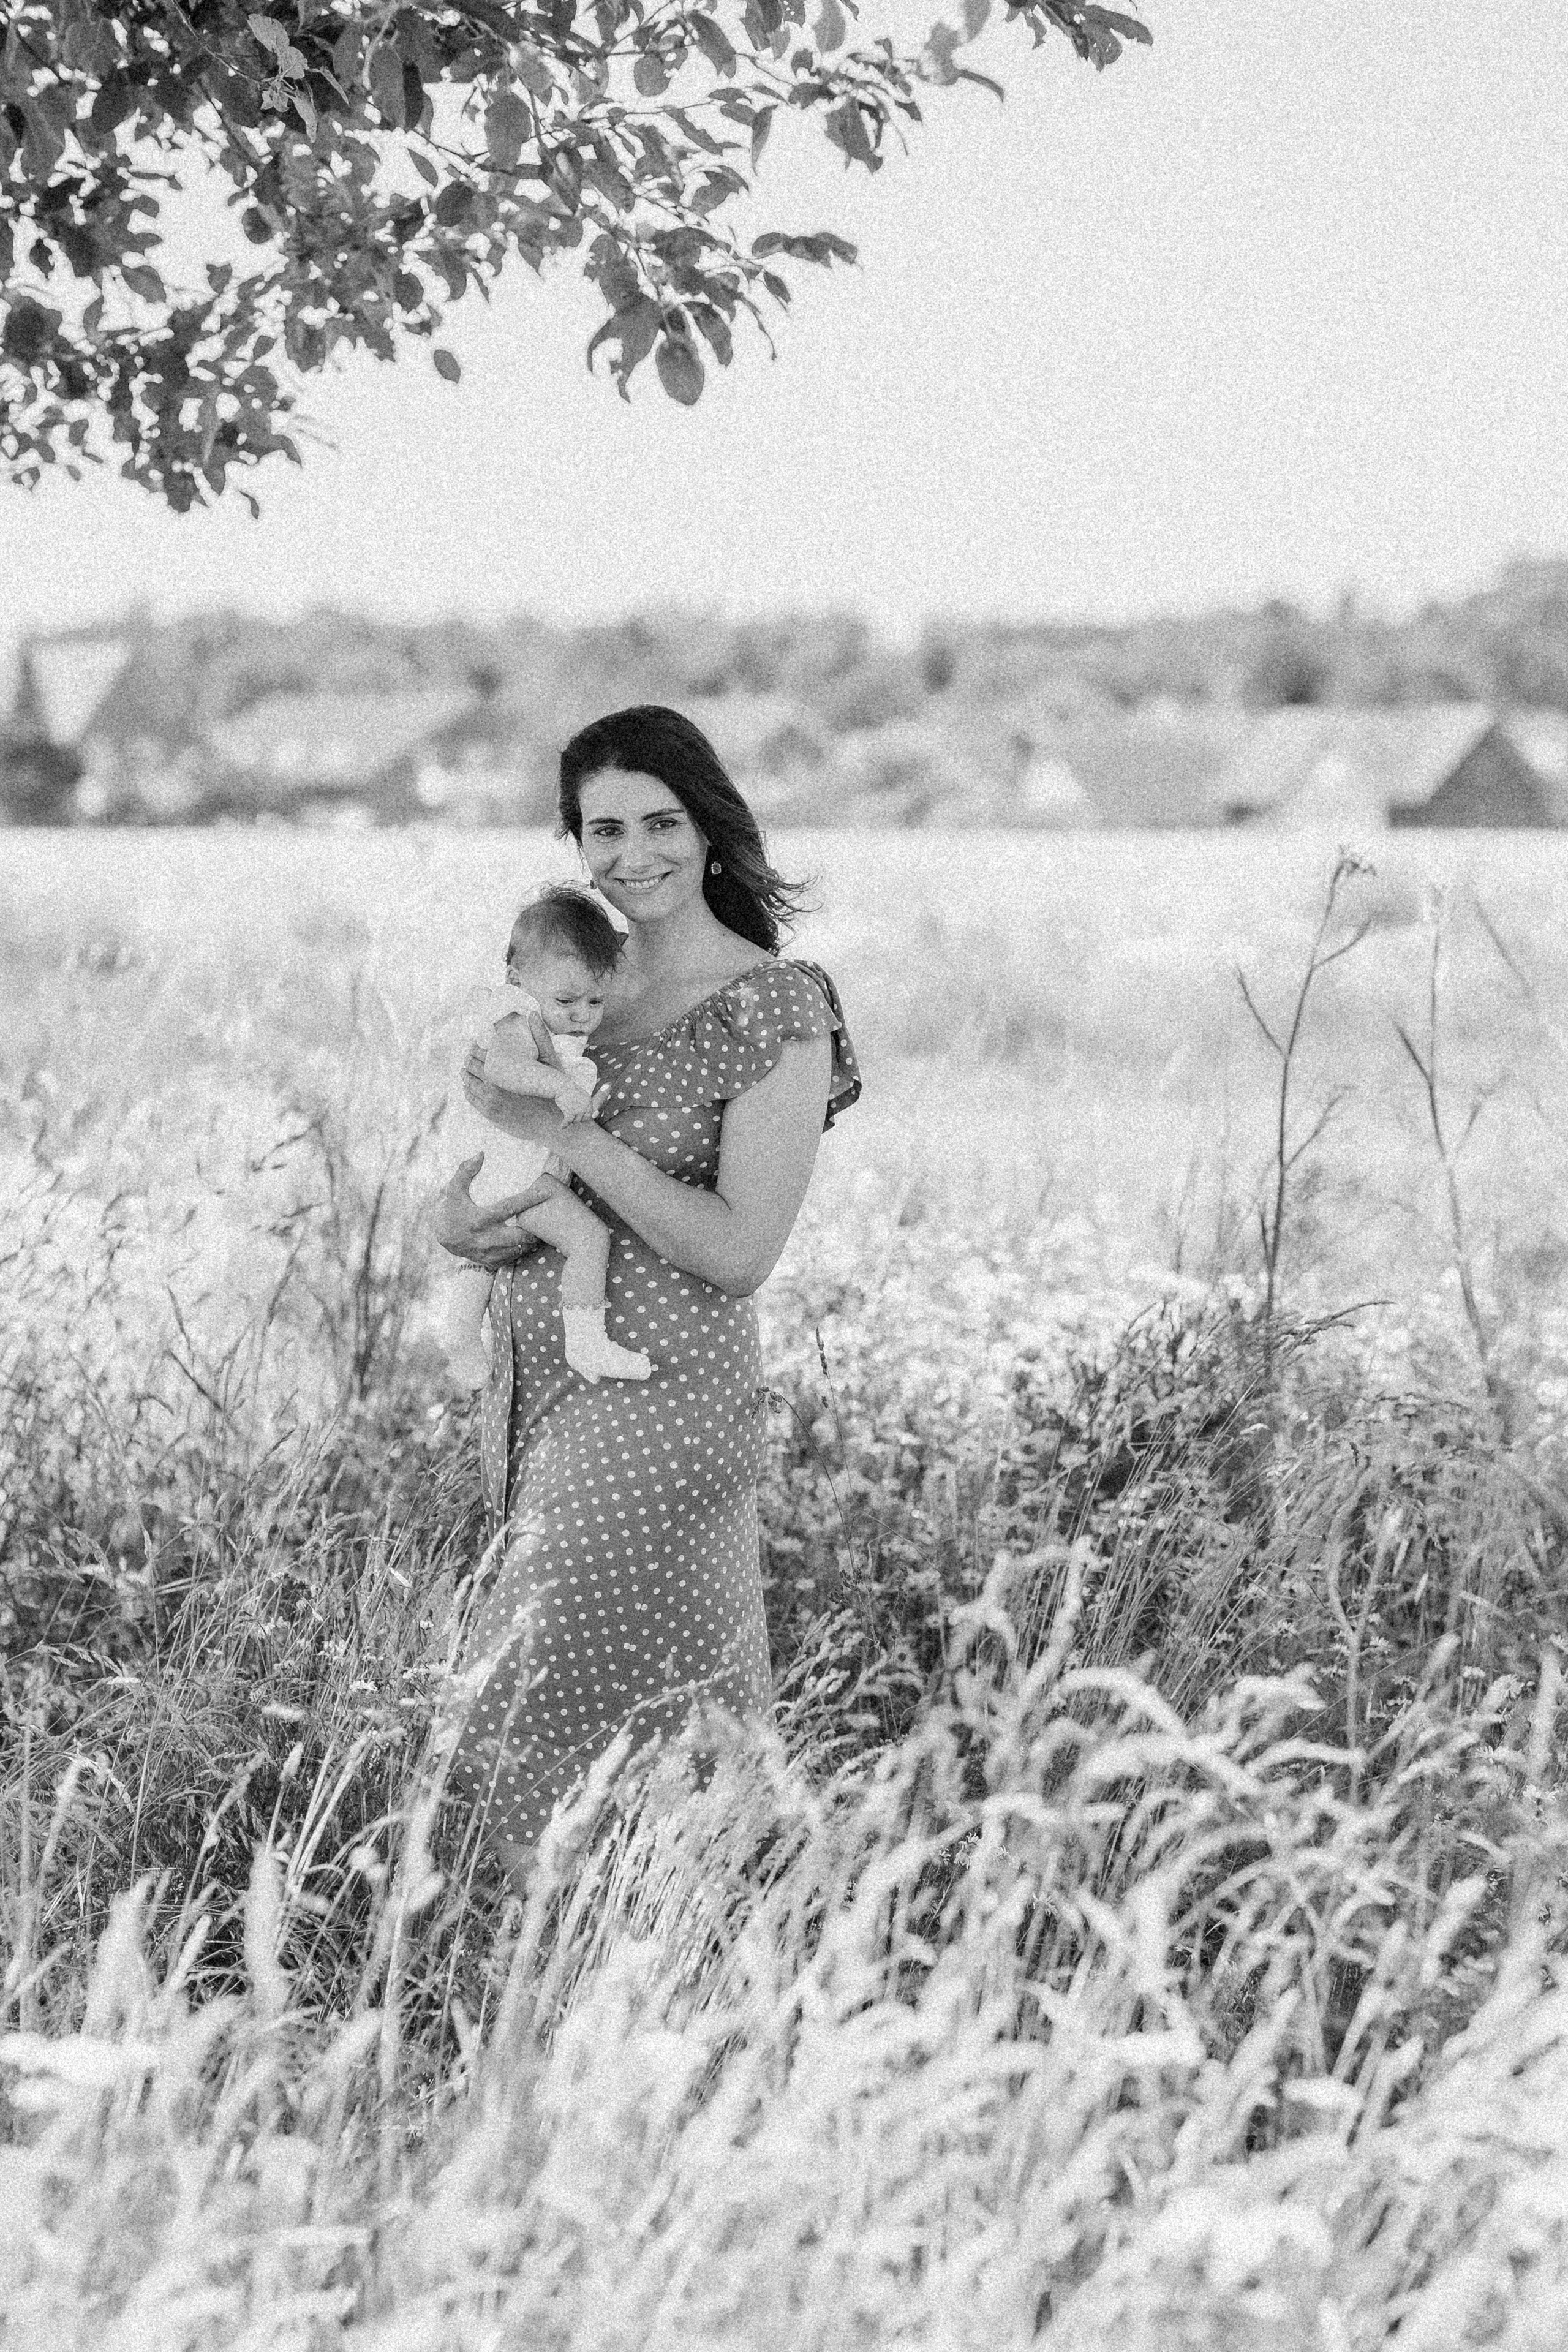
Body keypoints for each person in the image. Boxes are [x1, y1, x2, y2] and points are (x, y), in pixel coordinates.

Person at [434, 704, 861, 1882]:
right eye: (603, 829)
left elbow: (738, 1250)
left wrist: (573, 1145)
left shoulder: (773, 1005)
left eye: (662, 822)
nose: (634, 856)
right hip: (538, 1397)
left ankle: (528, 1932)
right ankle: (663, 1950)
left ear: (711, 828)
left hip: (662, 1401)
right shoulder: (576, 994)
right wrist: (459, 1220)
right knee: (651, 1692)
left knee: (522, 1679)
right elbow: (486, 1177)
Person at [440, 885, 653, 1390]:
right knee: (588, 1238)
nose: (583, 1014)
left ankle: (459, 1330)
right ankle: (585, 1342)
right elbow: (502, 1067)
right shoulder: (517, 1015)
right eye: (568, 1000)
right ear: (518, 978)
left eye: (596, 1000)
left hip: (506, 1173)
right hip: (515, 1171)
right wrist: (560, 1085)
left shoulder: (552, 1021)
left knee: (487, 1258)